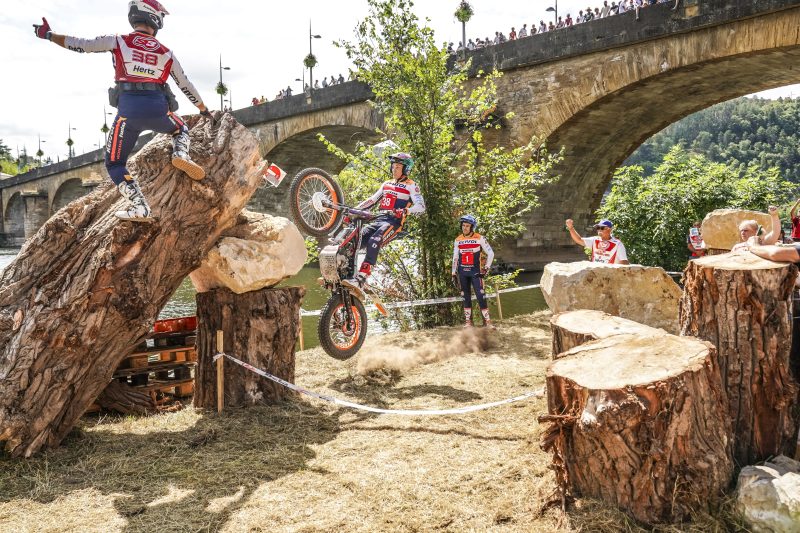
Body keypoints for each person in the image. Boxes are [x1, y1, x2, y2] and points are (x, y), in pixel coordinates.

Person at [33, 0, 212, 221]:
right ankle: (180, 154)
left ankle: (139, 206)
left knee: (115, 163)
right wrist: (203, 109)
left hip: (127, 113)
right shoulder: (166, 53)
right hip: (159, 110)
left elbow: (80, 44)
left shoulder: (118, 41)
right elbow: (186, 85)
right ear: (155, 18)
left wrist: (49, 35)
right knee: (181, 128)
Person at [342, 152, 425, 289]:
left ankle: (362, 276)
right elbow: (371, 200)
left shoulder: (411, 185)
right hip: (378, 220)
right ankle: (347, 273)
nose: (394, 169)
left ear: (406, 169)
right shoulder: (386, 184)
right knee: (354, 240)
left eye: (398, 167)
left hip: (393, 223)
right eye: (393, 166)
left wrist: (406, 211)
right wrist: (353, 210)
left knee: (374, 240)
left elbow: (421, 206)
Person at [452, 215, 495, 328]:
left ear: (472, 227)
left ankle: (487, 322)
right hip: (462, 273)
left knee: (481, 295)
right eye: (463, 226)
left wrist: (485, 269)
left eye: (467, 226)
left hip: (476, 272)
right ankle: (468, 322)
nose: (464, 228)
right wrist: (453, 273)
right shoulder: (458, 240)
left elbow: (491, 253)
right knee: (465, 297)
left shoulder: (479, 238)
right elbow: (455, 257)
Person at [565, 218, 630, 264]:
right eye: (598, 228)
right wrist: (571, 228)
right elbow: (578, 240)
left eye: (602, 228)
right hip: (596, 274)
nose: (599, 230)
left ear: (609, 229)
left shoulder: (618, 244)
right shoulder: (594, 240)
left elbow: (624, 262)